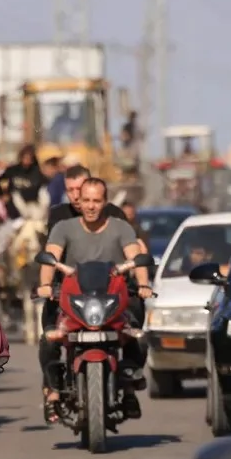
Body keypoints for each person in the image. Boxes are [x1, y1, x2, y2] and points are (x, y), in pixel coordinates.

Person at [37, 178, 151, 421]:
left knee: (138, 336)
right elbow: (51, 256)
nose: (90, 206)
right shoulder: (64, 228)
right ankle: (53, 391)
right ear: (78, 201)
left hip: (111, 300)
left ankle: (129, 387)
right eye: (86, 200)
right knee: (48, 338)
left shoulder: (121, 227)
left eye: (96, 201)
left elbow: (135, 256)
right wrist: (46, 285)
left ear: (105, 202)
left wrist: (143, 285)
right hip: (74, 301)